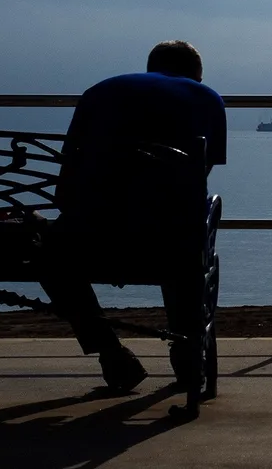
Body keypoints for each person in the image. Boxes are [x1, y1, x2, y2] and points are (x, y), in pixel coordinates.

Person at [42, 41, 227, 393]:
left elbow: (66, 180)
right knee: (184, 241)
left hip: (92, 237)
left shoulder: (100, 92)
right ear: (196, 74)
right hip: (168, 241)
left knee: (50, 255)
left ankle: (111, 352)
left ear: (150, 67)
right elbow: (198, 178)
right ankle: (186, 350)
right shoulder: (207, 97)